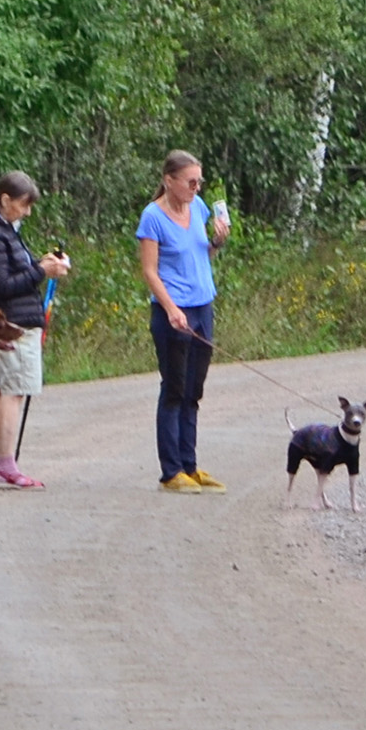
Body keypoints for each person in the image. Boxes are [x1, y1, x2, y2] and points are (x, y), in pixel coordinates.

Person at [0, 170, 69, 489]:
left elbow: (14, 271)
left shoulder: (3, 228)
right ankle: (5, 466)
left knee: (4, 390)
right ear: (5, 199)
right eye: (24, 205)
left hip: (13, 319)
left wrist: (43, 264)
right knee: (13, 392)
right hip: (12, 322)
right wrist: (41, 270)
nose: (27, 212)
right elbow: (1, 284)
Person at [137, 149, 229, 493]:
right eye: (191, 181)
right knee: (174, 389)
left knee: (194, 391)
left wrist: (218, 240)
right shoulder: (152, 217)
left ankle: (190, 465)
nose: (196, 187)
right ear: (169, 181)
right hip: (173, 311)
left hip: (203, 305)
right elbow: (149, 270)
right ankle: (171, 470)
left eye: (199, 181)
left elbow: (202, 252)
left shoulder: (199, 207)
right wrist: (171, 307)